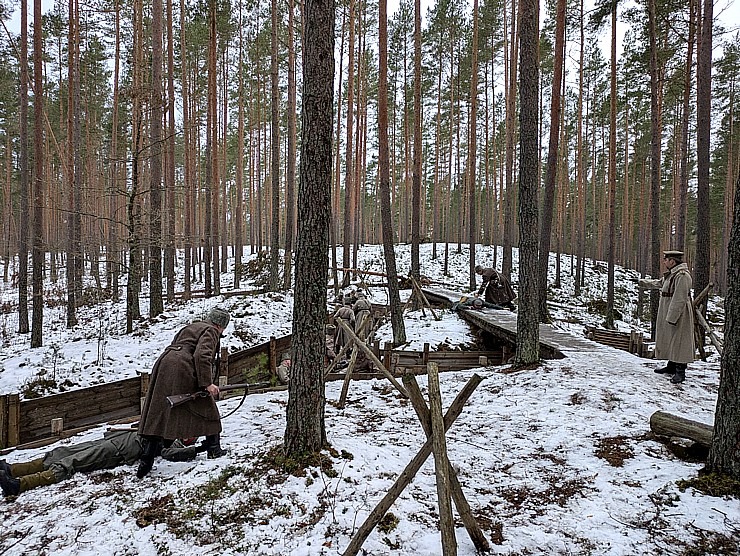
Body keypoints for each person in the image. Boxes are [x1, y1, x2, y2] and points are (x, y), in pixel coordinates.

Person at [136, 306, 231, 479]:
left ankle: (146, 460)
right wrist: (207, 383)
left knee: (160, 411)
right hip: (182, 366)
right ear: (221, 325)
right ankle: (213, 449)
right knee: (207, 407)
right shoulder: (211, 331)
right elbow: (202, 356)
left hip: (164, 364)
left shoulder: (193, 327)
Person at [0, 430, 204, 497]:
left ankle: (19, 485)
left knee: (72, 462)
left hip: (116, 452)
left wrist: (198, 450)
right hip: (112, 440)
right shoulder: (169, 430)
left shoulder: (173, 444)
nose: (187, 434)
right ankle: (13, 469)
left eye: (191, 436)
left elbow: (171, 453)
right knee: (61, 452)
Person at [637, 250, 695, 384]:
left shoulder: (682, 276)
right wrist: (641, 282)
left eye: (666, 259)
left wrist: (672, 316)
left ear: (673, 261)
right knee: (671, 339)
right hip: (668, 308)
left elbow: (680, 298)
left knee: (679, 340)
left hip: (679, 313)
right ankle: (671, 366)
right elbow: (658, 283)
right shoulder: (672, 275)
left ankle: (680, 371)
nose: (664, 262)